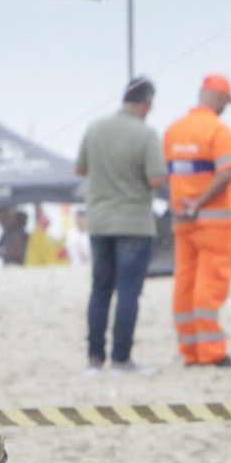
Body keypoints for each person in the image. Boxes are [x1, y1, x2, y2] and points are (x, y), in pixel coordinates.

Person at [77, 76, 167, 375]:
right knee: (128, 291)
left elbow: (80, 168)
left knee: (100, 289)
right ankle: (121, 359)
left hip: (100, 221)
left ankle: (93, 359)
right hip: (134, 223)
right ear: (146, 101)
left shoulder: (95, 128)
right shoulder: (145, 134)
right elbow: (156, 179)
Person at [163, 74, 231, 368]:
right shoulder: (218, 129)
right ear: (219, 97)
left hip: (182, 219)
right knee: (210, 283)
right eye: (227, 101)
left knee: (185, 281)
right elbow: (227, 172)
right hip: (215, 222)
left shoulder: (174, 130)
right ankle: (212, 350)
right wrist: (200, 201)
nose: (226, 107)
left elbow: (168, 175)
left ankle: (190, 350)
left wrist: (186, 203)